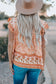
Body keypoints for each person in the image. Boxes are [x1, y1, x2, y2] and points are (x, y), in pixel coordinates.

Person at [8, 0, 49, 84]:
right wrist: (43, 63)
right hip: (36, 63)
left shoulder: (13, 23)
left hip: (19, 63)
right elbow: (43, 46)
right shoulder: (42, 24)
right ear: (36, 9)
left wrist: (10, 62)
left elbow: (10, 44)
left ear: (21, 8)